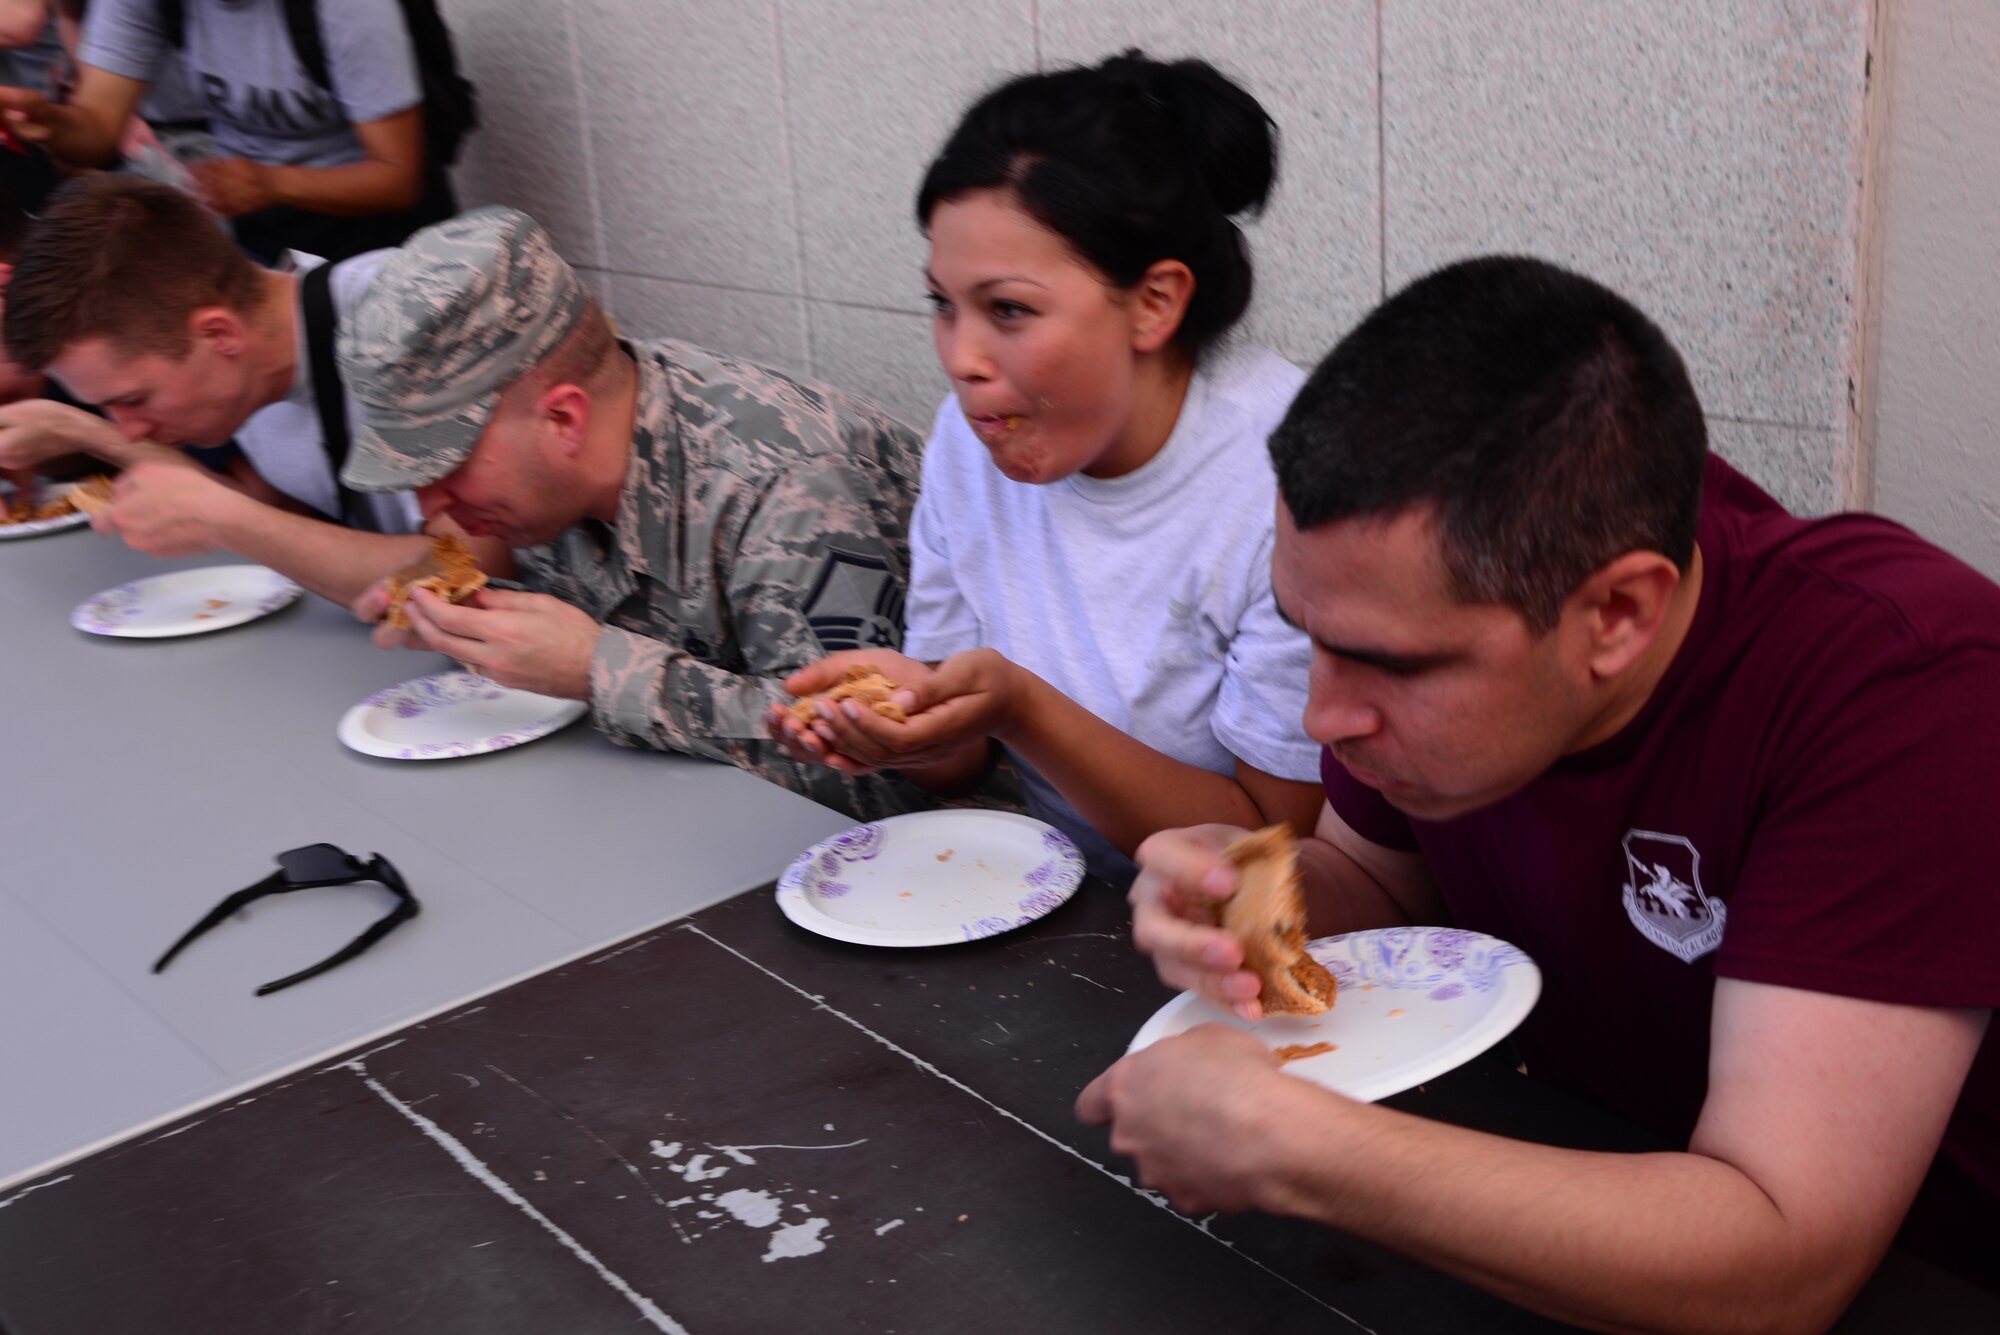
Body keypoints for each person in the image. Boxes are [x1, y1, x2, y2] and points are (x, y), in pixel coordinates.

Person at [1079, 256, 2000, 1327]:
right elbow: (1371, 880)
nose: (1323, 717)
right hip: (1565, 1175)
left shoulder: (1900, 690)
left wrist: (1291, 1146)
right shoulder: (1476, 597)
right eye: (1306, 636)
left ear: (1615, 617)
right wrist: (1243, 898)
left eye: (1392, 664)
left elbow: (1779, 1257)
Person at [768, 53, 1322, 883]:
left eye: (1009, 310)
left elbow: (1277, 845)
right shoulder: (970, 438)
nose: (963, 359)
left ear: (1155, 302)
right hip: (1061, 913)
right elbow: (961, 757)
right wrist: (904, 725)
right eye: (942, 305)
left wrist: (1023, 709)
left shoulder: (1293, 475)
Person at [339, 205, 936, 823]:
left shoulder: (788, 486)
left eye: (443, 464)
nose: (429, 506)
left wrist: (598, 670)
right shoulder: (555, 474)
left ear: (563, 420)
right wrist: (480, 622)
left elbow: (883, 778)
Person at [0, 174, 504, 602]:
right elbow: (280, 525)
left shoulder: (416, 318)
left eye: (133, 400)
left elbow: (475, 567)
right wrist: (77, 429)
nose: (130, 432)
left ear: (218, 334)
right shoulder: (246, 374)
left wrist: (225, 519)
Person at [0, 0, 452, 262]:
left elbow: (398, 179)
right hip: (262, 233)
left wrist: (269, 182)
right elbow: (97, 130)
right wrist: (51, 121)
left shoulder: (345, 8)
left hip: (382, 239)